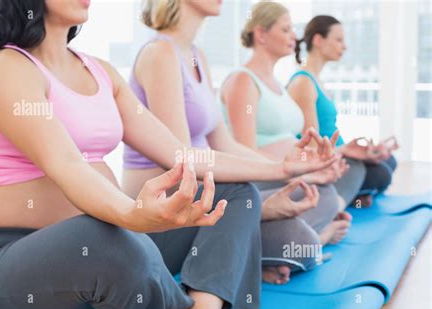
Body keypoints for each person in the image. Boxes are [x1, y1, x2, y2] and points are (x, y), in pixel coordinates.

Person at [0, 0, 266, 309]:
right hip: (2, 265)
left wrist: (283, 168)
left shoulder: (99, 71)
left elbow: (180, 155)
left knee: (235, 193)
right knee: (103, 235)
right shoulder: (3, 69)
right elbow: (67, 165)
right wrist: (131, 214)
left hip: (106, 246)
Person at [123, 0, 340, 285]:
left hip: (207, 193)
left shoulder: (196, 55)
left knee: (321, 195)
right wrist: (270, 194)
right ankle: (254, 247)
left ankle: (245, 249)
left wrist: (295, 169)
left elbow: (225, 143)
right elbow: (181, 165)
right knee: (298, 240)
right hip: (171, 208)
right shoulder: (159, 54)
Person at [221, 1, 358, 246]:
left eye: (292, 29)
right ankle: (314, 238)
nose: (294, 36)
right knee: (324, 195)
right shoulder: (243, 80)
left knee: (346, 175)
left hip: (284, 172)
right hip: (258, 176)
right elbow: (244, 152)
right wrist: (295, 173)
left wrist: (314, 168)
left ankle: (300, 237)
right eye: (285, 30)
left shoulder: (277, 84)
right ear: (261, 34)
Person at [288, 15, 398, 205]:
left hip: (338, 153)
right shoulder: (303, 82)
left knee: (389, 161)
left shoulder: (316, 80)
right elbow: (311, 147)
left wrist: (364, 151)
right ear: (318, 40)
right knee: (381, 174)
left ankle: (355, 192)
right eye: (338, 40)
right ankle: (349, 195)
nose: (344, 46)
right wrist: (345, 152)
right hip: (326, 159)